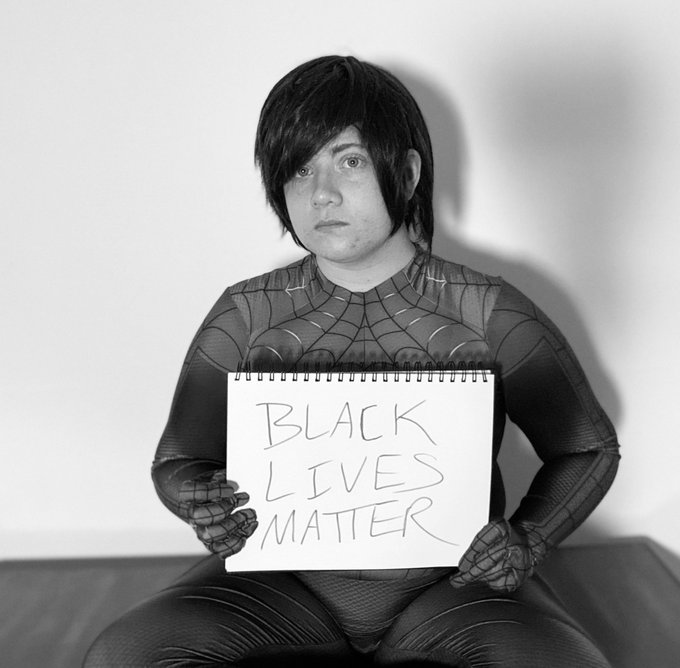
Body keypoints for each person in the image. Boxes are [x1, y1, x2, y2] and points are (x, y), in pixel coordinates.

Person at [84, 55, 620, 667]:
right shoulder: (247, 313)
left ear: (407, 173)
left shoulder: (487, 311)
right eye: (299, 169)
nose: (322, 194)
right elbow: (179, 458)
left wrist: (526, 540)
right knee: (122, 656)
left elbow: (588, 447)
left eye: (351, 161)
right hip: (281, 583)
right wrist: (200, 499)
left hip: (453, 586)